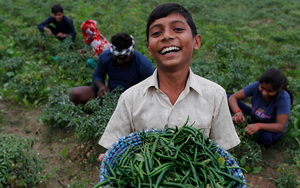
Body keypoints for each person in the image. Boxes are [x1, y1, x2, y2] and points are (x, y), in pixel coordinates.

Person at [98, 3, 240, 162]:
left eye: (178, 29)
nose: (166, 36)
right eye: (157, 32)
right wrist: (110, 157)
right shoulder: (130, 98)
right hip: (146, 184)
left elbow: (222, 154)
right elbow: (115, 147)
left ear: (196, 42)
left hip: (198, 184)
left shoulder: (215, 95)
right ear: (149, 50)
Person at [70, 33, 154, 105]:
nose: (119, 61)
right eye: (116, 57)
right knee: (76, 94)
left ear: (132, 53)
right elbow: (97, 76)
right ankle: (97, 117)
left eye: (123, 58)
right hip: (109, 96)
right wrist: (101, 87)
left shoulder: (144, 66)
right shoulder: (106, 56)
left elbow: (148, 95)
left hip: (131, 101)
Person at [228, 68, 293, 147]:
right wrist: (237, 111)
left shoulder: (283, 98)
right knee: (226, 98)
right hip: (254, 117)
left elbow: (280, 126)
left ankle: (260, 145)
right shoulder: (256, 86)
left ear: (279, 88)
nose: (264, 93)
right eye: (262, 88)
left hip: (270, 127)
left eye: (269, 91)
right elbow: (233, 97)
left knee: (265, 137)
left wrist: (258, 126)